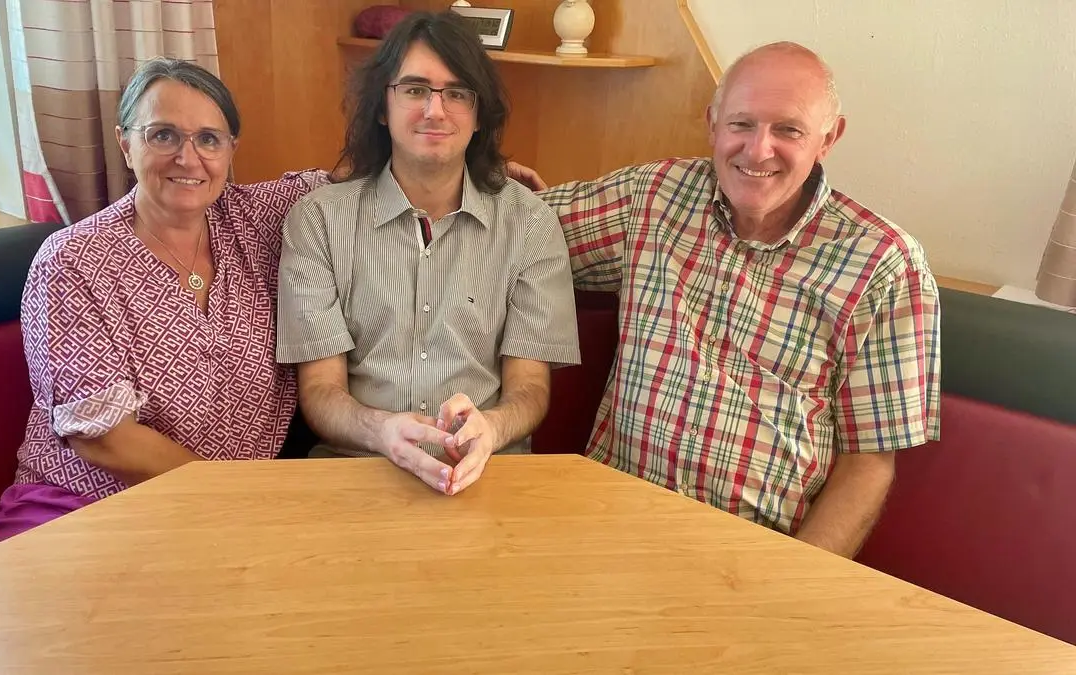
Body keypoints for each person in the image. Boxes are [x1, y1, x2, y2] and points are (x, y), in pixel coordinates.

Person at [538, 42, 941, 558]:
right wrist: (490, 181)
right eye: (741, 124)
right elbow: (515, 232)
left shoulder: (884, 263)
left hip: (750, 556)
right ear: (712, 124)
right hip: (606, 525)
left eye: (788, 130)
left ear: (828, 138)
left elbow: (869, 464)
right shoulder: (652, 197)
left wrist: (793, 582)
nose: (758, 150)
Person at [0, 58, 338, 540]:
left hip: (227, 514)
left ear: (231, 150)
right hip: (84, 509)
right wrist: (242, 503)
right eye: (163, 135)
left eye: (209, 139)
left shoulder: (256, 219)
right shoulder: (73, 260)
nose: (188, 159)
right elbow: (106, 440)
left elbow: (356, 175)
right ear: (125, 143)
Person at [276, 12, 580, 496]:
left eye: (457, 93)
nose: (435, 111)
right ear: (383, 107)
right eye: (415, 89)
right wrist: (381, 431)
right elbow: (320, 391)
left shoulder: (530, 223)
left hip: (487, 476)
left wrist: (493, 427)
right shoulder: (318, 221)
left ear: (479, 115)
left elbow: (530, 388)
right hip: (357, 473)